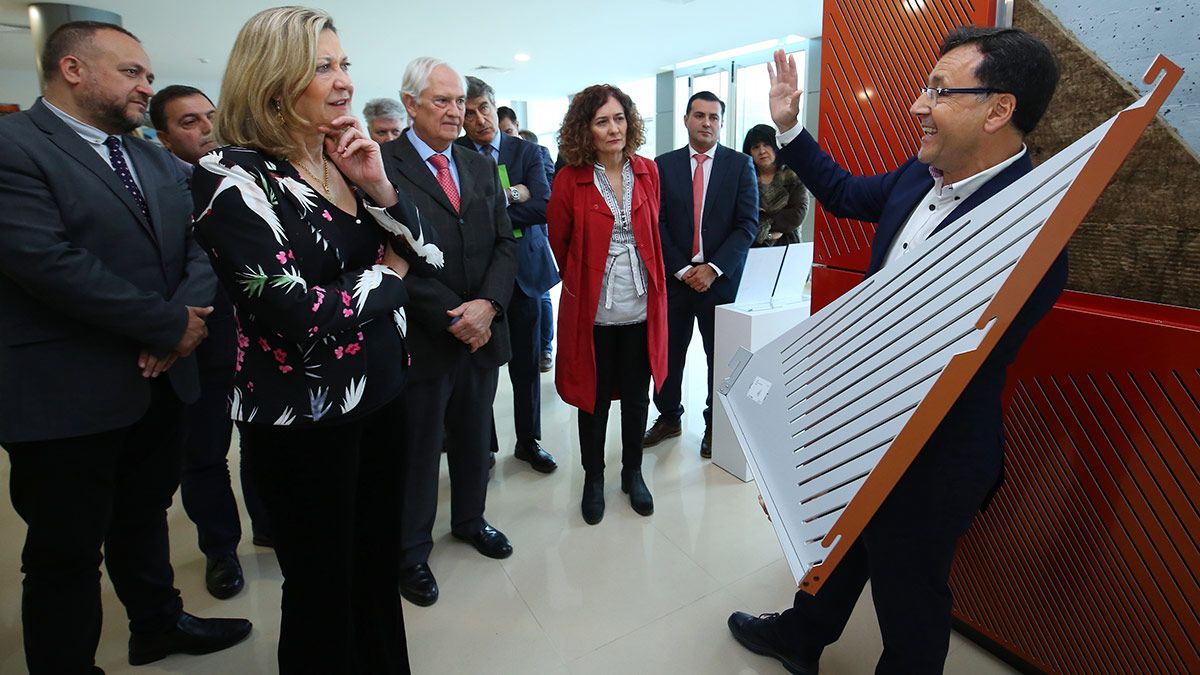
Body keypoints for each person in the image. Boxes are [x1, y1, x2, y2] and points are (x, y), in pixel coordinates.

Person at [727, 27, 1067, 675]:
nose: (917, 104)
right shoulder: (920, 172)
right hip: (863, 425)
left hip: (932, 450)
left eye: (939, 90)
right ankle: (804, 635)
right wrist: (792, 129)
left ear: (998, 109)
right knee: (841, 540)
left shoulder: (1031, 234)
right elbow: (846, 193)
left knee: (910, 598)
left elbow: (943, 366)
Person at [191, 7, 440, 672]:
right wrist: (388, 279)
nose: (344, 82)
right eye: (324, 66)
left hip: (383, 396)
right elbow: (292, 312)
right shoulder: (231, 173)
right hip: (305, 422)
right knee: (322, 594)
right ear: (274, 82)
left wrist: (377, 184)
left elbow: (428, 252)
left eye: (345, 64)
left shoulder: (343, 153)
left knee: (375, 571)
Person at [0, 20, 251, 672]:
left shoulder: (149, 154)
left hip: (160, 381)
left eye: (146, 73)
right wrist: (167, 326)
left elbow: (199, 241)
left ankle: (158, 624)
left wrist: (185, 322)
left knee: (144, 516)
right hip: (66, 392)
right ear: (73, 69)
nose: (147, 84)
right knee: (65, 549)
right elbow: (46, 262)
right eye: (132, 72)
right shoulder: (13, 147)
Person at [381, 57, 518, 608]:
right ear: (410, 104)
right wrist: (456, 316)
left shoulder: (480, 164)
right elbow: (392, 256)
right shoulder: (382, 165)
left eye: (459, 101)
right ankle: (410, 551)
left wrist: (487, 306)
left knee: (472, 437)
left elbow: (505, 242)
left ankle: (470, 519)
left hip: (482, 330)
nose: (456, 111)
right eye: (441, 101)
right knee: (419, 449)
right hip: (425, 335)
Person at [149, 84, 274, 602]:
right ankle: (220, 549)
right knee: (204, 453)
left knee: (263, 444)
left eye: (210, 117)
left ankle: (269, 525)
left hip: (258, 337)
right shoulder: (161, 188)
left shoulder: (246, 174)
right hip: (198, 340)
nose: (204, 129)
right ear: (163, 136)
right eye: (188, 122)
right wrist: (183, 321)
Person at [548, 84, 668, 524]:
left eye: (619, 118)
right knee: (592, 400)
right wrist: (586, 277)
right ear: (586, 129)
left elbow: (655, 232)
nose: (614, 128)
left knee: (637, 399)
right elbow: (558, 242)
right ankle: (593, 478)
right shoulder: (569, 178)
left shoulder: (649, 172)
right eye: (602, 121)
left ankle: (632, 472)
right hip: (593, 310)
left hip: (640, 306)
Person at [642, 91, 758, 458]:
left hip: (718, 283)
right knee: (668, 353)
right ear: (687, 120)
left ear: (721, 123)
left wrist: (712, 268)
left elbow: (746, 225)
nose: (706, 122)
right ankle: (668, 417)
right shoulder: (663, 166)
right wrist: (680, 268)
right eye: (699, 115)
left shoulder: (740, 166)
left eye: (714, 117)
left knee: (718, 357)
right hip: (674, 282)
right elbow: (654, 223)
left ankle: (714, 424)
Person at [456, 76, 559, 473]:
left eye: (483, 108)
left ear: (495, 106)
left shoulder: (529, 151)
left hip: (525, 275)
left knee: (526, 367)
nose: (479, 119)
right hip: (477, 280)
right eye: (468, 113)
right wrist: (514, 193)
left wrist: (489, 207)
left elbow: (544, 207)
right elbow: (456, 216)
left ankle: (529, 442)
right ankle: (483, 445)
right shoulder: (455, 153)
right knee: (480, 370)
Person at [500, 108, 558, 371]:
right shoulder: (476, 156)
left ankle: (545, 348)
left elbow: (543, 204)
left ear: (517, 126)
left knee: (541, 298)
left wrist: (492, 214)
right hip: (499, 250)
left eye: (508, 131)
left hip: (532, 244)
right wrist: (514, 194)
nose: (504, 137)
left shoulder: (534, 153)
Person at [741, 123, 808, 247]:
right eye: (756, 147)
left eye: (767, 145)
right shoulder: (743, 179)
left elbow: (797, 213)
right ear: (749, 152)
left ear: (776, 146)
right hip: (751, 246)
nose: (762, 151)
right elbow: (740, 216)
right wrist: (768, 234)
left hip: (787, 243)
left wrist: (761, 225)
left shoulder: (793, 175)